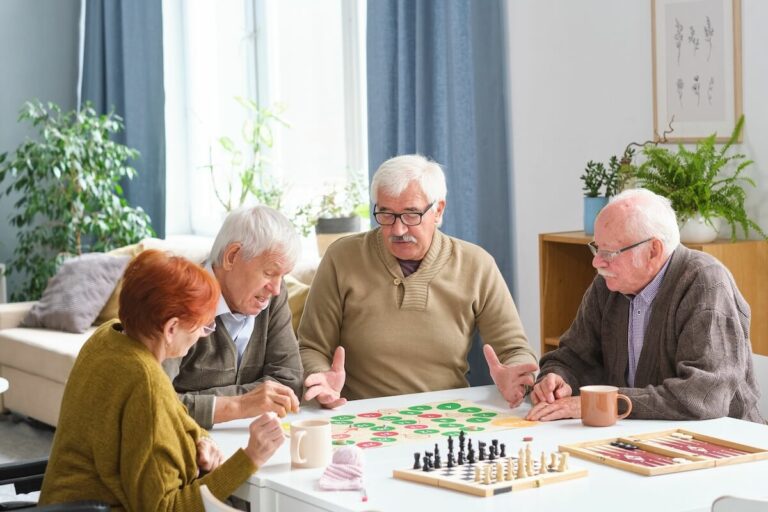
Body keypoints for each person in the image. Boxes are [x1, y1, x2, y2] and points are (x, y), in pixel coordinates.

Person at [40, 250, 285, 510]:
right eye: (203, 326)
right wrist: (250, 458)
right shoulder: (145, 382)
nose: (202, 336)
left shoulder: (107, 337)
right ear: (171, 329)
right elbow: (165, 508)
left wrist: (201, 439)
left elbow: (174, 415)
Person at [299, 154, 538, 408]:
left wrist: (517, 376)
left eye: (411, 215)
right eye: (386, 214)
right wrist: (321, 378)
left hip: (446, 416)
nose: (398, 230)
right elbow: (312, 347)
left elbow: (514, 350)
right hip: (359, 413)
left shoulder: (476, 264)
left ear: (438, 210)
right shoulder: (342, 257)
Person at [527, 188, 764, 423]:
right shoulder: (608, 285)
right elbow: (573, 356)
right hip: (638, 436)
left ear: (653, 250)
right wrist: (557, 378)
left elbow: (702, 396)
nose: (596, 261)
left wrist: (604, 403)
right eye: (597, 247)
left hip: (726, 444)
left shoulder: (705, 282)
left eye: (609, 252)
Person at [163, 206, 303, 429]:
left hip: (252, 436)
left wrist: (199, 401)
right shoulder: (179, 298)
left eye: (282, 276)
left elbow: (289, 382)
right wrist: (239, 405)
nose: (276, 289)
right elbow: (156, 405)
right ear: (231, 256)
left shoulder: (272, 295)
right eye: (269, 273)